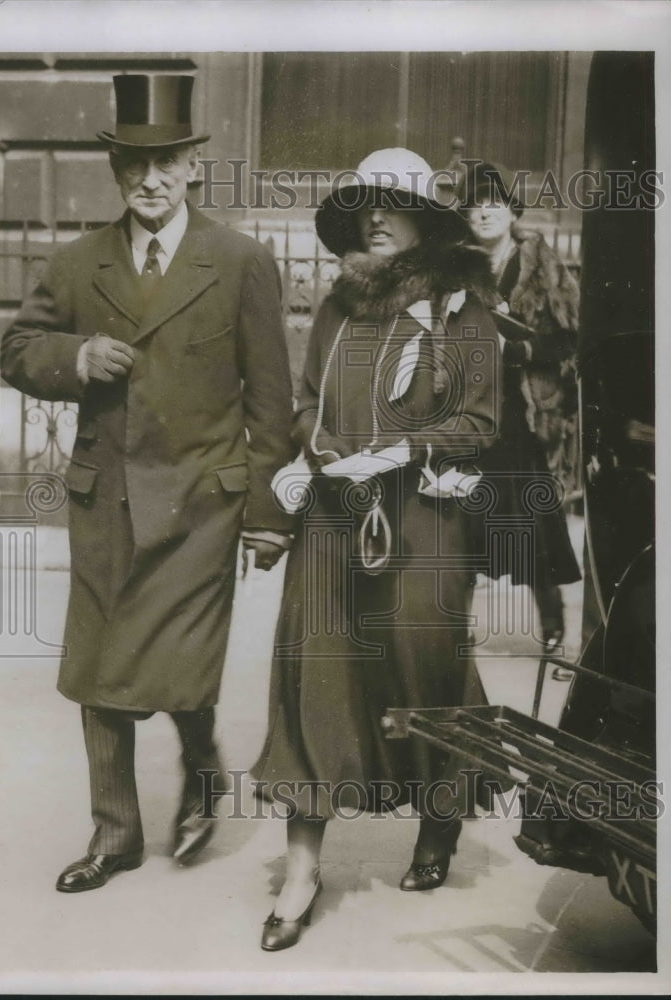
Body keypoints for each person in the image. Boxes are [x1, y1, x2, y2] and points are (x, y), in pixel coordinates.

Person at [0, 74, 295, 892]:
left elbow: (274, 404)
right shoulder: (78, 262)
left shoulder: (241, 261)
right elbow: (15, 349)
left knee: (176, 667)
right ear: (117, 173)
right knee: (100, 668)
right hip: (109, 497)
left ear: (194, 166)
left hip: (204, 502)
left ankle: (202, 766)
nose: (151, 181)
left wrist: (269, 514)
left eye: (166, 163)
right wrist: (75, 358)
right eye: (135, 166)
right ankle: (116, 835)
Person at [251, 149, 501, 951]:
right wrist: (311, 455)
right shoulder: (338, 305)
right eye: (364, 207)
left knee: (422, 669)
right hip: (333, 517)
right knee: (312, 675)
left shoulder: (463, 309)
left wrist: (402, 451)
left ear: (425, 220)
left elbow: (481, 421)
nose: (375, 219)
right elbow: (304, 404)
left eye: (392, 206)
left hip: (424, 520)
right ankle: (301, 871)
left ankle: (440, 816)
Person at [458, 162, 581, 679]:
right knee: (460, 514)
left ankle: (552, 625)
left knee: (531, 517)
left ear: (512, 212)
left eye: (494, 202)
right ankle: (455, 625)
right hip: (466, 412)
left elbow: (572, 336)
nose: (484, 210)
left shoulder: (541, 265)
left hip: (524, 413)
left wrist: (521, 348)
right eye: (474, 203)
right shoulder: (454, 267)